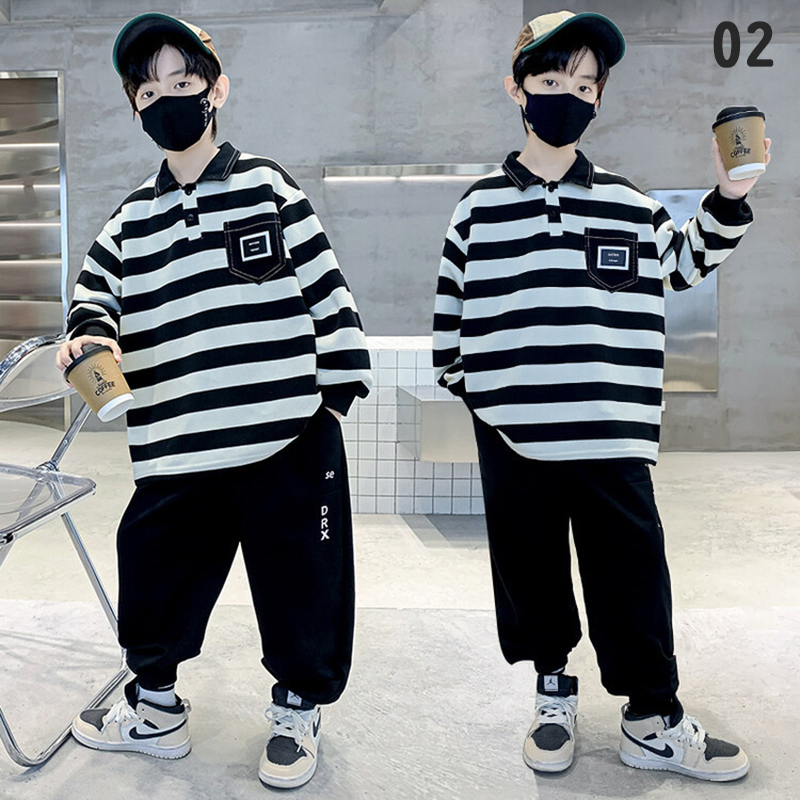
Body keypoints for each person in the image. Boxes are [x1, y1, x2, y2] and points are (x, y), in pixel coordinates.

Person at [432, 9, 770, 783]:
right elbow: (450, 320)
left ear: (599, 99)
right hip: (516, 436)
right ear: (517, 88)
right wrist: (485, 402)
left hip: (612, 433)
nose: (569, 96)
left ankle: (652, 717)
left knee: (632, 575)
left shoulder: (627, 201)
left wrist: (728, 194)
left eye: (585, 86)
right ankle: (552, 694)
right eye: (553, 80)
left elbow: (683, 263)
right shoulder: (477, 208)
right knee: (532, 575)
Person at [56, 13, 371, 790]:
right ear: (136, 108)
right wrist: (87, 338)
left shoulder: (269, 186)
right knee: (154, 573)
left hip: (286, 439)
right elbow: (92, 299)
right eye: (148, 92)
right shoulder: (129, 219)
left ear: (216, 90)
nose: (165, 100)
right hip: (176, 446)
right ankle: (156, 710)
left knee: (303, 584)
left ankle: (297, 712)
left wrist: (334, 400)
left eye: (182, 82)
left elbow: (328, 291)